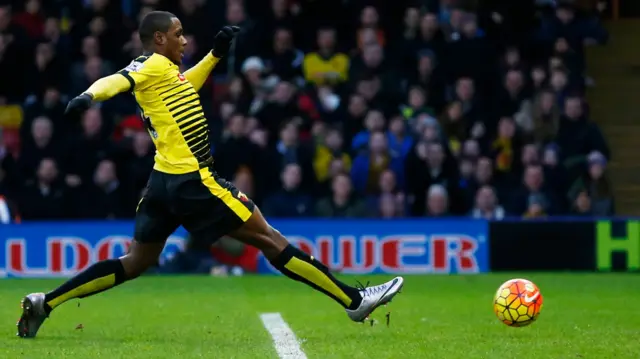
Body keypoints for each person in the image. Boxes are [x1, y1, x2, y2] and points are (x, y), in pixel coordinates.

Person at [17, 11, 403, 338]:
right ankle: (354, 301)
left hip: (162, 182)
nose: (184, 41)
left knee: (135, 262)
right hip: (193, 181)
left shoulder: (167, 74)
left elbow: (187, 86)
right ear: (158, 38)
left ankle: (45, 302)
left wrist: (216, 54)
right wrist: (90, 95)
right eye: (178, 34)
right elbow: (117, 80)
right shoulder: (149, 64)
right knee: (270, 238)